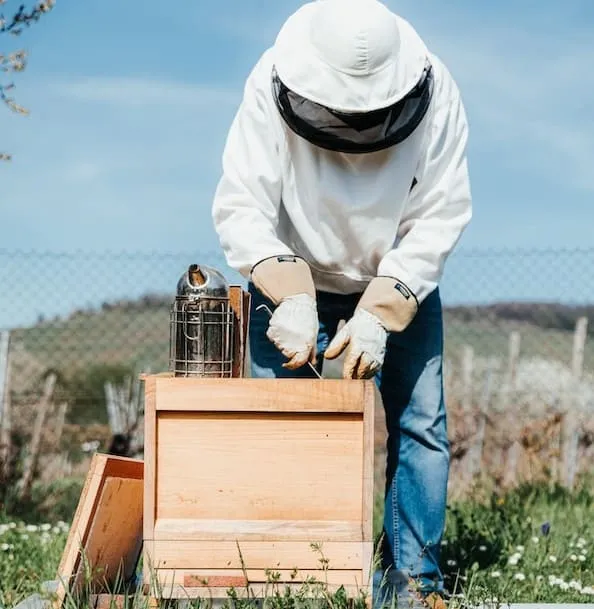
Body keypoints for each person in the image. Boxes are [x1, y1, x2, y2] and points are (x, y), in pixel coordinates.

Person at [211, 0, 472, 606]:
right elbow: (241, 203)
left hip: (395, 278)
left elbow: (441, 213)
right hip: (292, 277)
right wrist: (289, 291)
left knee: (421, 426)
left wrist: (383, 309)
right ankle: (284, 577)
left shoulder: (438, 92)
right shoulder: (267, 80)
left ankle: (413, 585)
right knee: (277, 423)